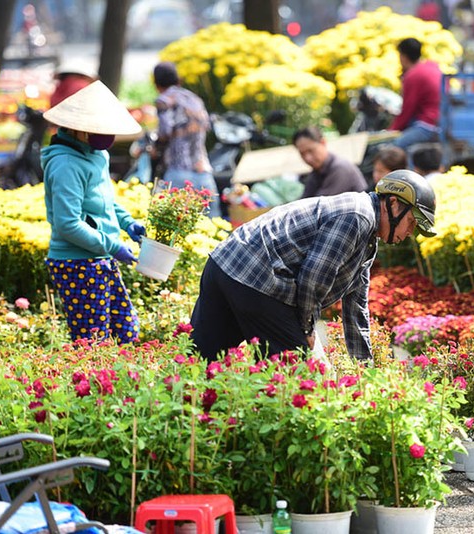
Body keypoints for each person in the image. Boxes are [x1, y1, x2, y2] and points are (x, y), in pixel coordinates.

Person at [190, 169, 437, 362]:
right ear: (393, 204)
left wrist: (364, 368)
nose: (410, 233)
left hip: (225, 264)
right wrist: (307, 329)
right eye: (412, 223)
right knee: (291, 378)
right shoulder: (358, 217)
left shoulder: (367, 233)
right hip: (255, 276)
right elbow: (313, 280)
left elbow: (356, 306)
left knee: (202, 362)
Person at [41, 80, 145, 344]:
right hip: (76, 263)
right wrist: (112, 246)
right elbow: (67, 224)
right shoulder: (65, 164)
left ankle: (122, 383)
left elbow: (104, 200)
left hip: (100, 257)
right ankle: (89, 385)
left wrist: (127, 223)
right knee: (93, 342)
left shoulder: (97, 154)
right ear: (78, 128)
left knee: (126, 331)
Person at [153, 61, 221, 218]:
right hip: (203, 172)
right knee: (213, 226)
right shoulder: (194, 99)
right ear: (178, 79)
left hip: (179, 173)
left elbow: (164, 132)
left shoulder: (164, 100)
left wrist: (155, 149)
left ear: (156, 83)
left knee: (177, 226)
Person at [390, 37, 442, 151]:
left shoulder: (413, 75)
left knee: (393, 148)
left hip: (428, 125)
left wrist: (391, 131)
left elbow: (407, 109)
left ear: (403, 56)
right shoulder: (431, 66)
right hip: (440, 121)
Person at [294, 126, 367, 198]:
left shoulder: (340, 169)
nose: (308, 158)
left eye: (311, 151)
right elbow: (304, 200)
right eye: (302, 154)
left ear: (323, 142)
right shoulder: (316, 173)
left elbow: (319, 206)